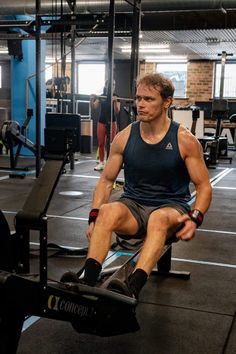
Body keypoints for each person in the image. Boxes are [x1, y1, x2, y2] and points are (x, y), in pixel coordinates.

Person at [62, 73, 212, 299]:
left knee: (158, 219)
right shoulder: (124, 137)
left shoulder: (184, 140)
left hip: (171, 208)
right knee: (106, 211)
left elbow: (204, 187)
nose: (140, 104)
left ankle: (132, 288)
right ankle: (88, 282)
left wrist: (195, 218)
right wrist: (94, 218)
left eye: (149, 99)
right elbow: (106, 180)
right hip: (133, 207)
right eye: (138, 98)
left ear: (167, 102)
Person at [90, 80, 120, 171]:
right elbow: (94, 107)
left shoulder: (116, 96)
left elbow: (117, 110)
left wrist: (114, 101)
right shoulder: (101, 96)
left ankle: (110, 162)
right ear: (106, 85)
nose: (112, 86)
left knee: (112, 143)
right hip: (101, 122)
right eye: (111, 84)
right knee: (101, 143)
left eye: (114, 84)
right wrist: (91, 99)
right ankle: (102, 162)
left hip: (112, 122)